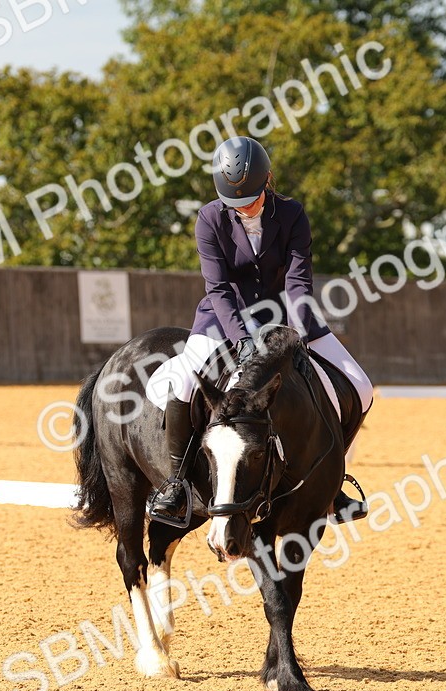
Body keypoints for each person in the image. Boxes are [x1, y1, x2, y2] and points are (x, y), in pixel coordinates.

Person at [146, 136, 374, 525]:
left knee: (361, 387)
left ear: (267, 180)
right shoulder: (210, 218)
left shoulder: (291, 214)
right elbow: (217, 288)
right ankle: (176, 484)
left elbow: (299, 284)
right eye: (234, 203)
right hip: (223, 319)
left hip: (287, 316)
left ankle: (332, 483)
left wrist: (295, 332)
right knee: (182, 384)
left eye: (249, 199)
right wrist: (241, 339)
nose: (242, 208)